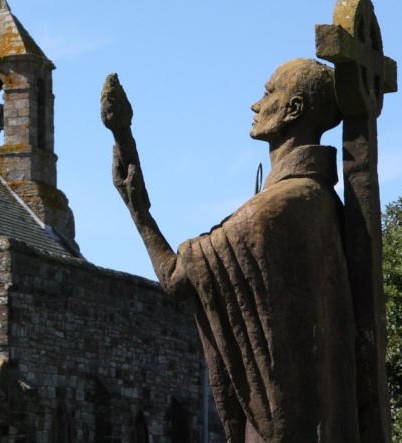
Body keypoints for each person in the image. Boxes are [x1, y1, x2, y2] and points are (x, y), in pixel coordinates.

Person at [102, 58, 359, 443]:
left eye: (269, 92)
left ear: (294, 109)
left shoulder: (273, 211)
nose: (256, 104)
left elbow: (177, 278)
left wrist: (138, 210)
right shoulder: (325, 204)